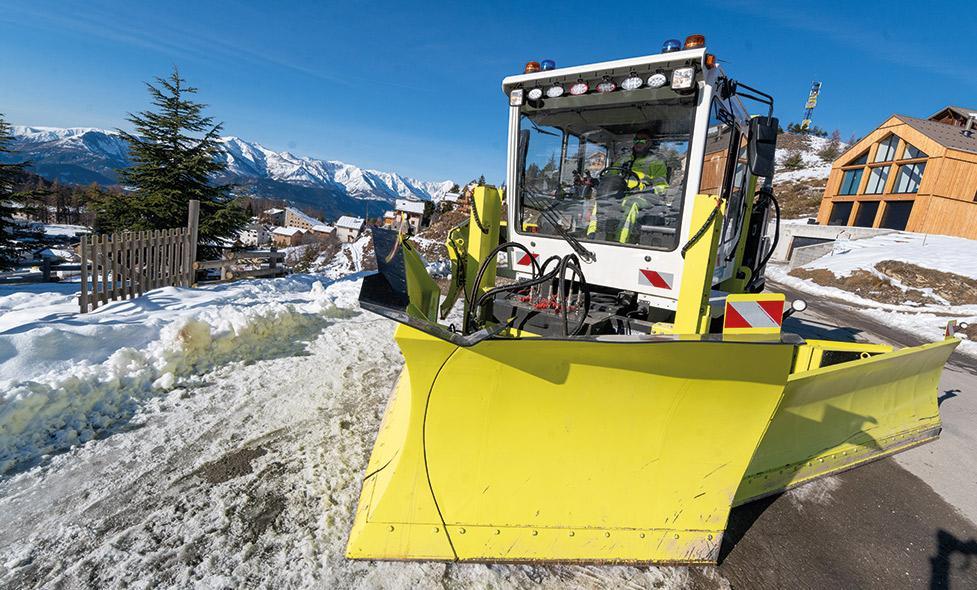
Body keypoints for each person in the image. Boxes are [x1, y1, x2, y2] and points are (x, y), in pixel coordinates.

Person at [586, 130, 671, 243]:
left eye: (643, 140)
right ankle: (593, 235)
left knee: (631, 204)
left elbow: (662, 186)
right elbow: (610, 176)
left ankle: (620, 241)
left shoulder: (656, 162)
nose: (639, 142)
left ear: (650, 143)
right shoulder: (624, 159)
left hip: (644, 195)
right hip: (621, 193)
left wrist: (647, 190)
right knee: (602, 199)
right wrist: (599, 183)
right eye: (636, 140)